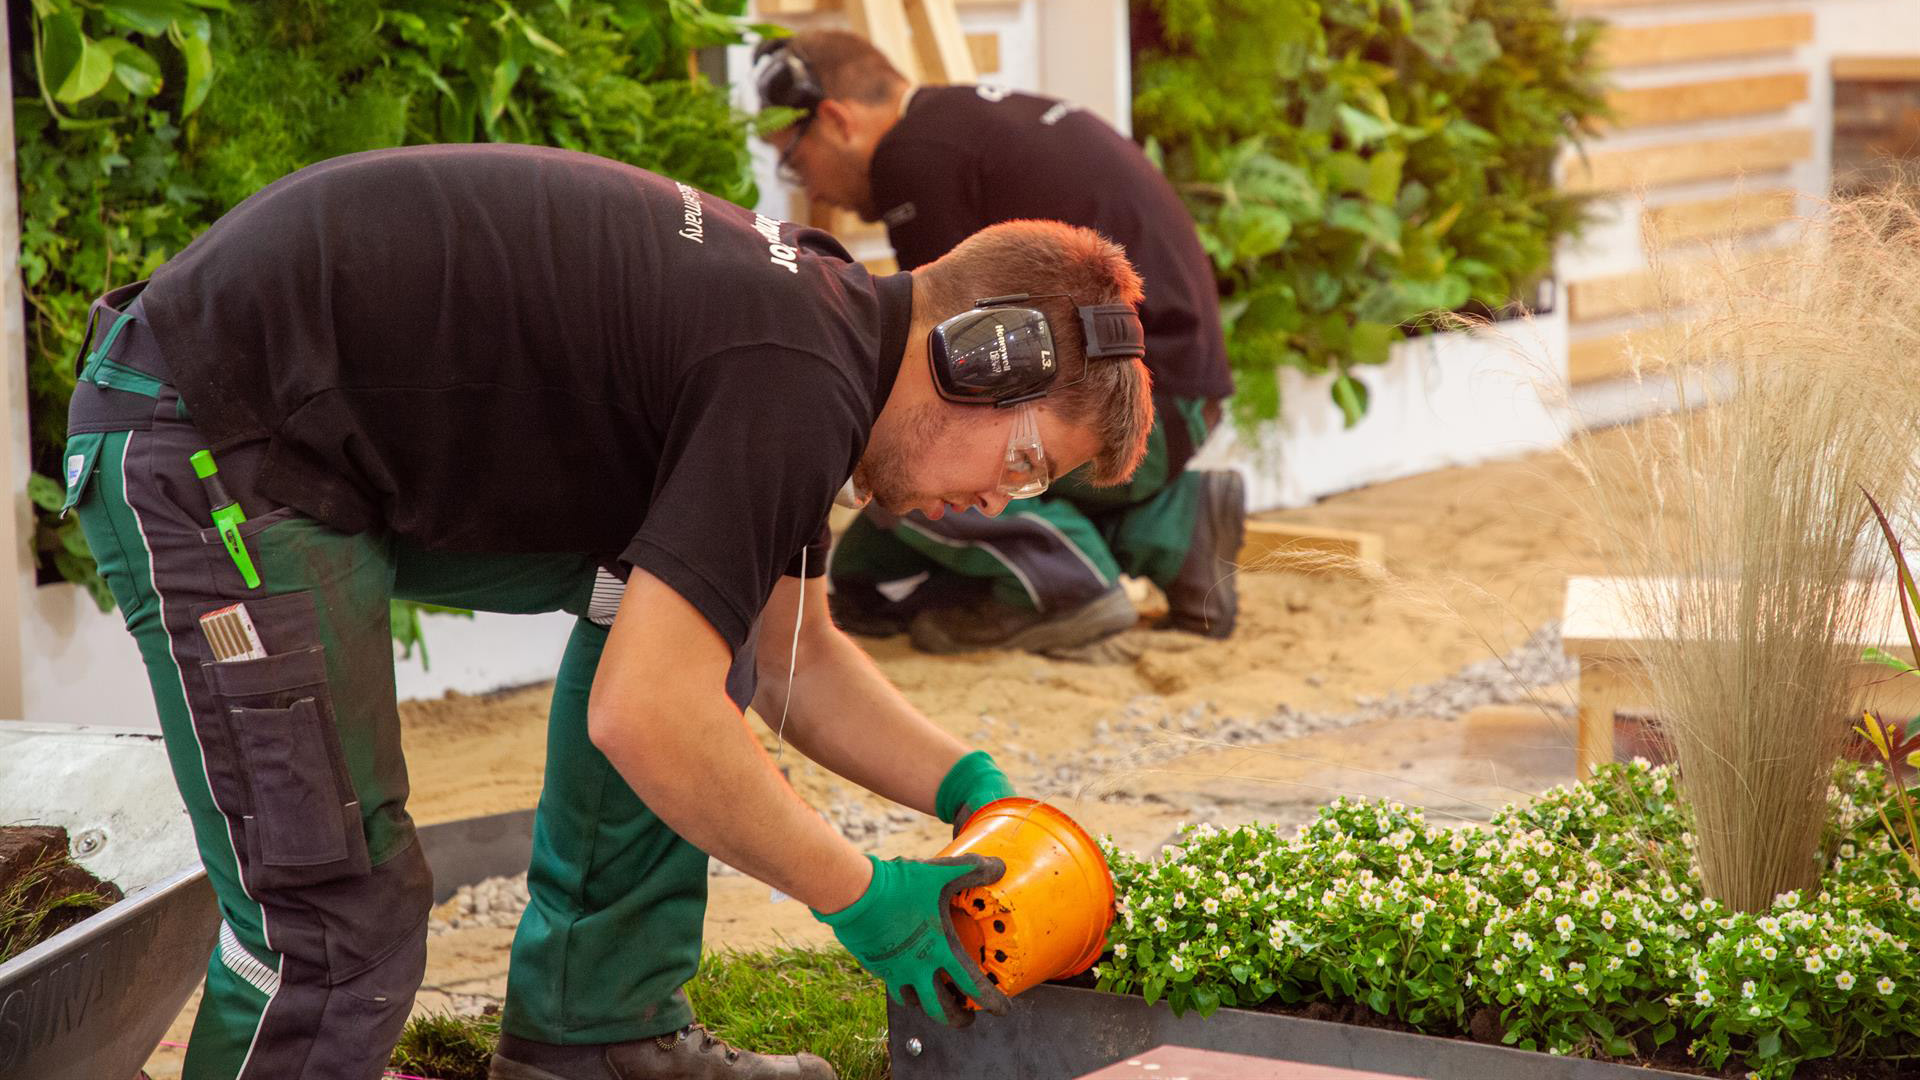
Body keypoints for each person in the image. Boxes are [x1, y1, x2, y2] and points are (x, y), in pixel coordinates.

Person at [58, 144, 1153, 1080]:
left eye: (1034, 487)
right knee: (335, 920)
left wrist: (975, 791)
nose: (998, 501)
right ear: (975, 359)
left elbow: (791, 658)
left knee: (690, 620)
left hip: (295, 450)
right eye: (1021, 458)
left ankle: (597, 1031)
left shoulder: (823, 337)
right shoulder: (795, 378)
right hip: (208, 443)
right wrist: (857, 895)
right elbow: (645, 714)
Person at [754, 30, 1244, 656]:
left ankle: (1072, 588)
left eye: (795, 160)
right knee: (862, 579)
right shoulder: (958, 124)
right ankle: (1174, 525)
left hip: (1142, 413)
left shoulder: (912, 156)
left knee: (901, 450)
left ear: (835, 119)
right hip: (1176, 397)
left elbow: (927, 379)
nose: (808, 188)